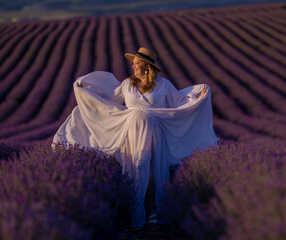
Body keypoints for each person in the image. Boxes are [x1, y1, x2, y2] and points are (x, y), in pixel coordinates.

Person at [53, 47, 219, 228]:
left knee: (154, 170)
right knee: (138, 167)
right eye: (133, 64)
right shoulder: (127, 84)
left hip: (156, 131)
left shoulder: (164, 85)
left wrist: (198, 96)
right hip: (132, 132)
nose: (133, 67)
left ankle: (154, 211)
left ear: (147, 66)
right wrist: (87, 90)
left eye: (137, 63)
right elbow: (109, 99)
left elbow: (180, 102)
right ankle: (138, 211)